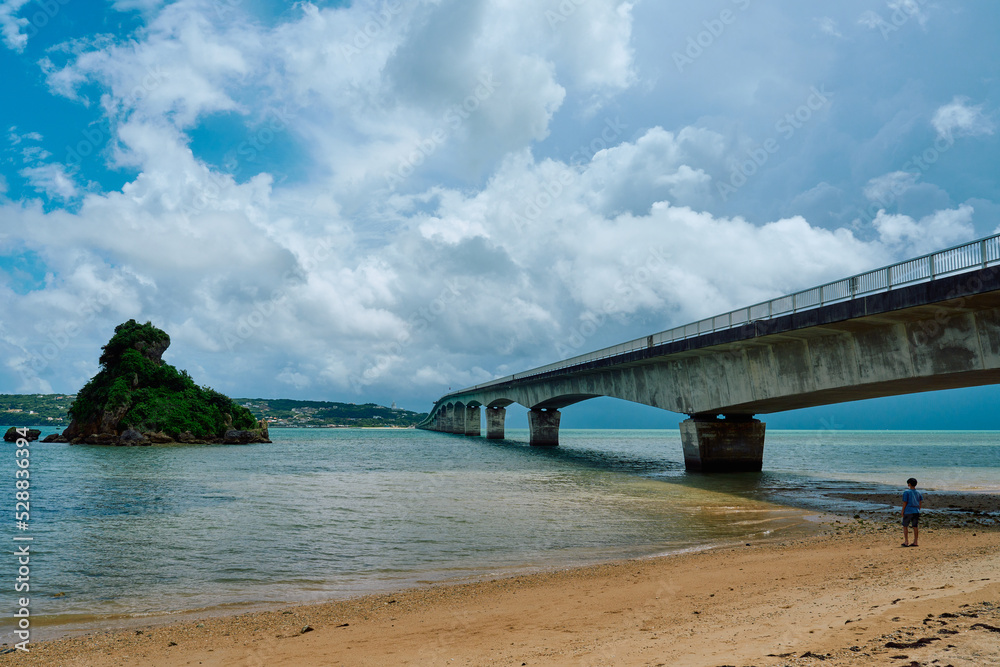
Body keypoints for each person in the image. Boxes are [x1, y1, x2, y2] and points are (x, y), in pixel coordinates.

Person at [901, 477, 923, 547]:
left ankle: (906, 541)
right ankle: (915, 541)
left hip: (908, 510)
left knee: (905, 526)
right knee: (915, 526)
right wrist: (918, 509)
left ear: (909, 484)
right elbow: (920, 502)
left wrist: (902, 510)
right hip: (916, 511)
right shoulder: (918, 492)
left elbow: (905, 502)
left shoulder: (906, 492)